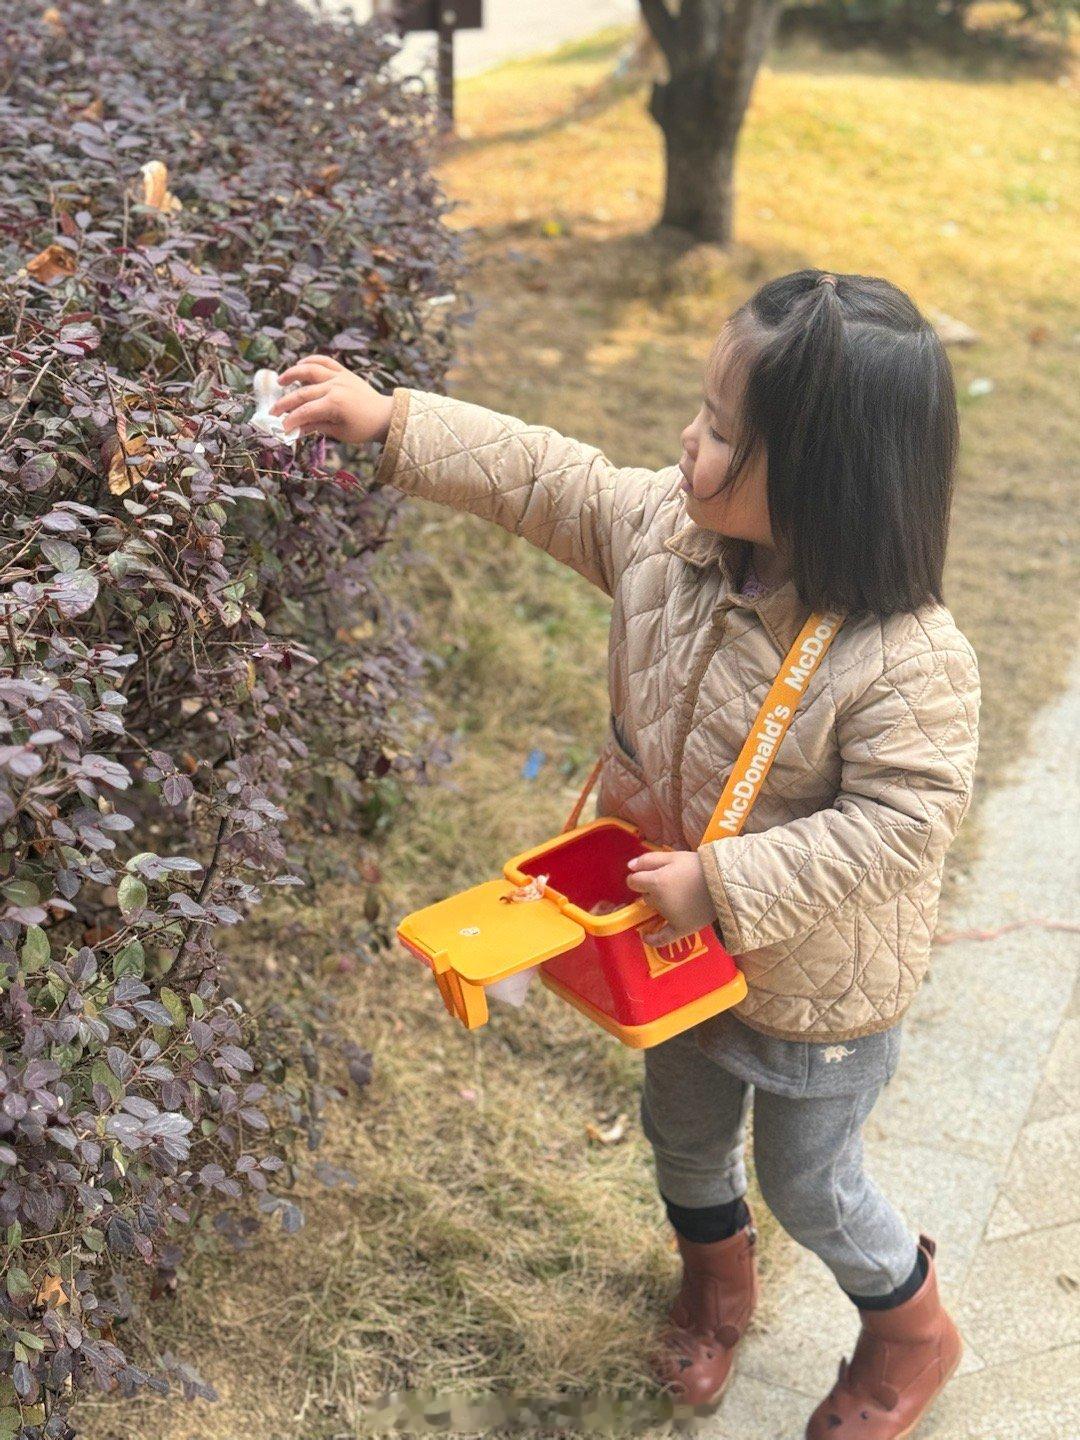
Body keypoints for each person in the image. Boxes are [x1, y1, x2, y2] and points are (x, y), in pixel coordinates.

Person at [269, 268, 980, 1440]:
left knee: (811, 1181)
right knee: (685, 1136)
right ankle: (714, 1291)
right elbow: (553, 479)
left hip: (816, 985)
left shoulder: (908, 657)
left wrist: (728, 881)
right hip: (673, 952)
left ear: (820, 479)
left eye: (720, 432)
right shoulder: (671, 533)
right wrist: (395, 420)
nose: (686, 442)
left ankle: (910, 1329)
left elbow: (905, 825)